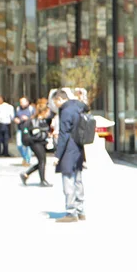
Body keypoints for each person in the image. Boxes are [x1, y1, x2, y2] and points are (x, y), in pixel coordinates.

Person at [52, 90, 88, 223]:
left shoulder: (66, 111)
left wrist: (57, 155)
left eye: (56, 102)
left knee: (68, 180)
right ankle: (81, 211)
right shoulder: (78, 106)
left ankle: (71, 212)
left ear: (60, 99)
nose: (55, 105)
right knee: (78, 179)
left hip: (68, 149)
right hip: (79, 148)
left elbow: (64, 134)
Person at [19, 100, 52, 187]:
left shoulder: (43, 121)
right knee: (42, 160)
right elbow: (31, 132)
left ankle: (26, 174)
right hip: (35, 142)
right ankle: (42, 180)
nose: (49, 114)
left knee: (42, 161)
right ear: (44, 112)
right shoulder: (33, 121)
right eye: (47, 112)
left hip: (41, 142)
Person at [15, 97, 34, 166]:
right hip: (20, 128)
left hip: (28, 129)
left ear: (27, 102)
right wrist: (16, 119)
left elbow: (34, 117)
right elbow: (15, 116)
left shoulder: (31, 109)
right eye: (20, 102)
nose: (21, 104)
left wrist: (28, 118)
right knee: (19, 145)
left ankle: (27, 160)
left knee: (28, 145)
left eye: (23, 102)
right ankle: (25, 157)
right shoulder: (18, 108)